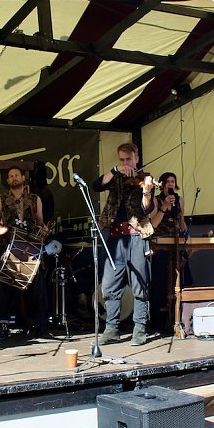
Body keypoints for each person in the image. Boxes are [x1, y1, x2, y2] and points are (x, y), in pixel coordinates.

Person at [92, 142, 156, 346]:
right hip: (115, 237)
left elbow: (147, 209)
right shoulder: (115, 177)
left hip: (136, 235)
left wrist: (146, 191)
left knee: (140, 283)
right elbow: (96, 186)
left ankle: (139, 328)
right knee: (110, 284)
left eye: (129, 159)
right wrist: (115, 170)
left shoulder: (145, 178)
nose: (125, 163)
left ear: (136, 158)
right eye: (122, 159)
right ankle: (112, 329)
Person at [0, 166, 50, 338]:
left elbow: (40, 221)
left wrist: (44, 229)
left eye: (16, 175)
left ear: (23, 178)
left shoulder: (34, 199)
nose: (13, 178)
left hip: (30, 246)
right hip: (9, 246)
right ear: (8, 180)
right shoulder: (1, 199)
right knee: (5, 286)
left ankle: (40, 327)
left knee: (37, 287)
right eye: (10, 176)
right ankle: (3, 325)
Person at [148, 172, 187, 332]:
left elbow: (181, 221)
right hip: (160, 244)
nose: (171, 184)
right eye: (168, 182)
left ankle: (181, 317)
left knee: (182, 278)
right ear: (162, 185)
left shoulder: (180, 200)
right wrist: (164, 206)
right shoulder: (156, 201)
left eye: (173, 181)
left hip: (176, 243)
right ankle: (159, 321)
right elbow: (153, 224)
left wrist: (186, 234)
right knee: (161, 281)